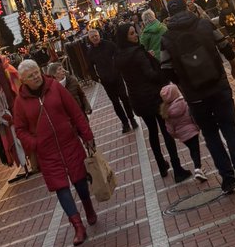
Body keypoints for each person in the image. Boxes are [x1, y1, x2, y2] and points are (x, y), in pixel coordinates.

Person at [160, 0, 235, 196]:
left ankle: (228, 180)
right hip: (219, 87)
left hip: (195, 96)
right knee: (231, 131)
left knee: (211, 135)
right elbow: (225, 47)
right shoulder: (204, 25)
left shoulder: (167, 38)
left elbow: (166, 69)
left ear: (170, 15)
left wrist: (183, 84)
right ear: (186, 8)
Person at [13, 58, 97, 246]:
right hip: (47, 153)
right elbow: (19, 129)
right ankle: (77, 226)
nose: (35, 76)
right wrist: (35, 143)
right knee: (61, 188)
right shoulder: (20, 102)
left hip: (69, 142)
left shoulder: (55, 87)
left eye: (36, 72)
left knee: (80, 181)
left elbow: (75, 111)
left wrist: (87, 135)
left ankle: (89, 208)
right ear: (23, 80)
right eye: (30, 75)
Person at [114, 22, 191, 183]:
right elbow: (150, 75)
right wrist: (156, 67)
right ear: (125, 37)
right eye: (132, 33)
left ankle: (162, 166)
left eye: (135, 32)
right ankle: (177, 168)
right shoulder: (137, 53)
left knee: (152, 131)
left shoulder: (119, 56)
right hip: (153, 97)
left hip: (137, 99)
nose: (135, 35)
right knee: (165, 130)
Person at [86, 27, 137, 133]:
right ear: (90, 39)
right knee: (115, 103)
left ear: (99, 35)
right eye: (92, 37)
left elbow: (119, 54)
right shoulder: (90, 52)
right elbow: (90, 67)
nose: (95, 38)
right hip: (105, 80)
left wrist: (119, 68)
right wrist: (97, 78)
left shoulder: (109, 44)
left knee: (124, 98)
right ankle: (125, 123)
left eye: (96, 36)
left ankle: (132, 119)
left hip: (117, 76)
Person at [159, 83, 207, 181]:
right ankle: (198, 168)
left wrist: (176, 135)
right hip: (192, 131)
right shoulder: (184, 103)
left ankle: (199, 169)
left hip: (182, 136)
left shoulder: (166, 111)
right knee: (195, 150)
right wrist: (197, 126)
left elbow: (169, 128)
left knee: (192, 150)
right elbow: (192, 116)